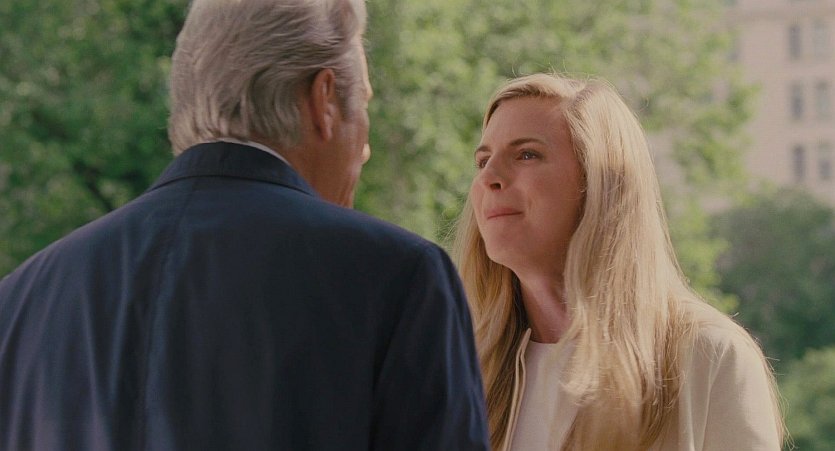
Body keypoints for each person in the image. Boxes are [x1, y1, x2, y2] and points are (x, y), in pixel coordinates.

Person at [0, 0, 489, 449]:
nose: (365, 148)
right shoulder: (398, 278)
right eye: (363, 102)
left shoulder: (19, 301)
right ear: (323, 100)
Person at [452, 73, 785, 451]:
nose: (489, 177)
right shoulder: (461, 369)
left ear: (599, 184)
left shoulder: (711, 357)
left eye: (527, 154)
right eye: (482, 161)